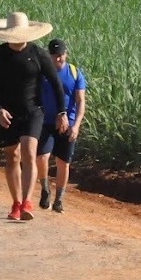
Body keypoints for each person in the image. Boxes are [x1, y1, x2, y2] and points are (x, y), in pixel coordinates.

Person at [0, 11, 68, 221]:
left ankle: (27, 202)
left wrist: (62, 112)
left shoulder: (38, 54)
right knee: (12, 156)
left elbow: (56, 85)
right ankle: (16, 203)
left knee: (29, 151)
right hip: (6, 113)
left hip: (32, 111)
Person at [36, 39, 87, 213]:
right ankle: (44, 189)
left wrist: (76, 125)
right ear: (49, 56)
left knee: (63, 163)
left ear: (65, 54)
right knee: (42, 157)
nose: (58, 59)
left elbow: (80, 101)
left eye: (61, 55)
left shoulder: (74, 73)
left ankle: (59, 199)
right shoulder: (42, 73)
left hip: (69, 123)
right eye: (54, 56)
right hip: (45, 122)